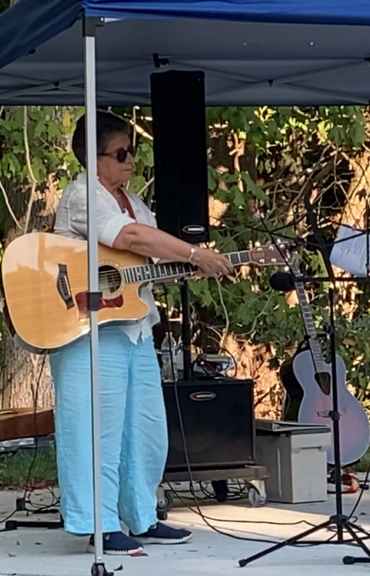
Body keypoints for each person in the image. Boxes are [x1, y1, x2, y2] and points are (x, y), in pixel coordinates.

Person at [48, 111, 233, 555]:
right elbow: (131, 239)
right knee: (98, 428)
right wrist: (193, 252)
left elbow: (143, 256)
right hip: (88, 325)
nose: (131, 160)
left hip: (132, 325)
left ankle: (141, 515)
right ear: (93, 159)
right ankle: (100, 523)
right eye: (121, 153)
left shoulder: (132, 199)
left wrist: (190, 264)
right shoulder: (83, 195)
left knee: (146, 427)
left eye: (133, 151)